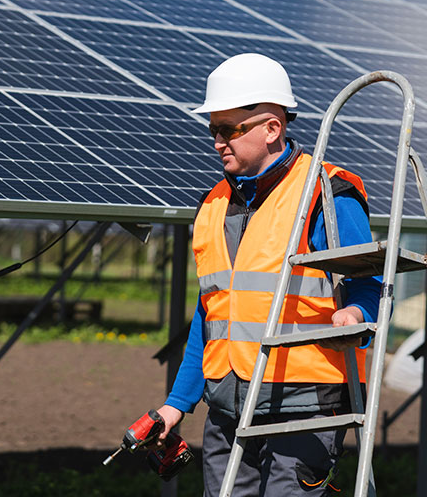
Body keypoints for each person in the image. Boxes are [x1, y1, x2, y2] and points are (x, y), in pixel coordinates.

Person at [154, 53, 381, 496]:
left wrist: (354, 314)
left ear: (272, 128)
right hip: (227, 404)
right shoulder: (212, 205)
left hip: (305, 404)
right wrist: (176, 404)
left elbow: (369, 283)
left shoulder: (327, 193)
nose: (217, 141)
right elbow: (210, 317)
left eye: (228, 130)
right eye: (212, 130)